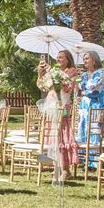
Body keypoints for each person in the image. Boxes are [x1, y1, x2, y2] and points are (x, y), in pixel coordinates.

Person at [37, 50, 79, 180]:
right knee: (53, 135)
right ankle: (57, 166)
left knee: (62, 134)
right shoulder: (53, 71)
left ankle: (66, 170)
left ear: (68, 59)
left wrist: (53, 72)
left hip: (63, 104)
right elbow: (42, 86)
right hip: (51, 104)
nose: (58, 59)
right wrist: (41, 73)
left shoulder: (72, 71)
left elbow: (68, 86)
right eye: (57, 57)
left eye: (61, 57)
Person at [76, 50, 104, 169]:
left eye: (87, 59)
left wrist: (84, 90)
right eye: (84, 59)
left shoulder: (101, 72)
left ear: (94, 60)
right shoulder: (84, 75)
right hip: (84, 106)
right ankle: (86, 160)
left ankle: (96, 161)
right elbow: (79, 90)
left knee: (95, 130)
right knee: (83, 130)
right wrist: (82, 89)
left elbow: (94, 89)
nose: (84, 61)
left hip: (97, 105)